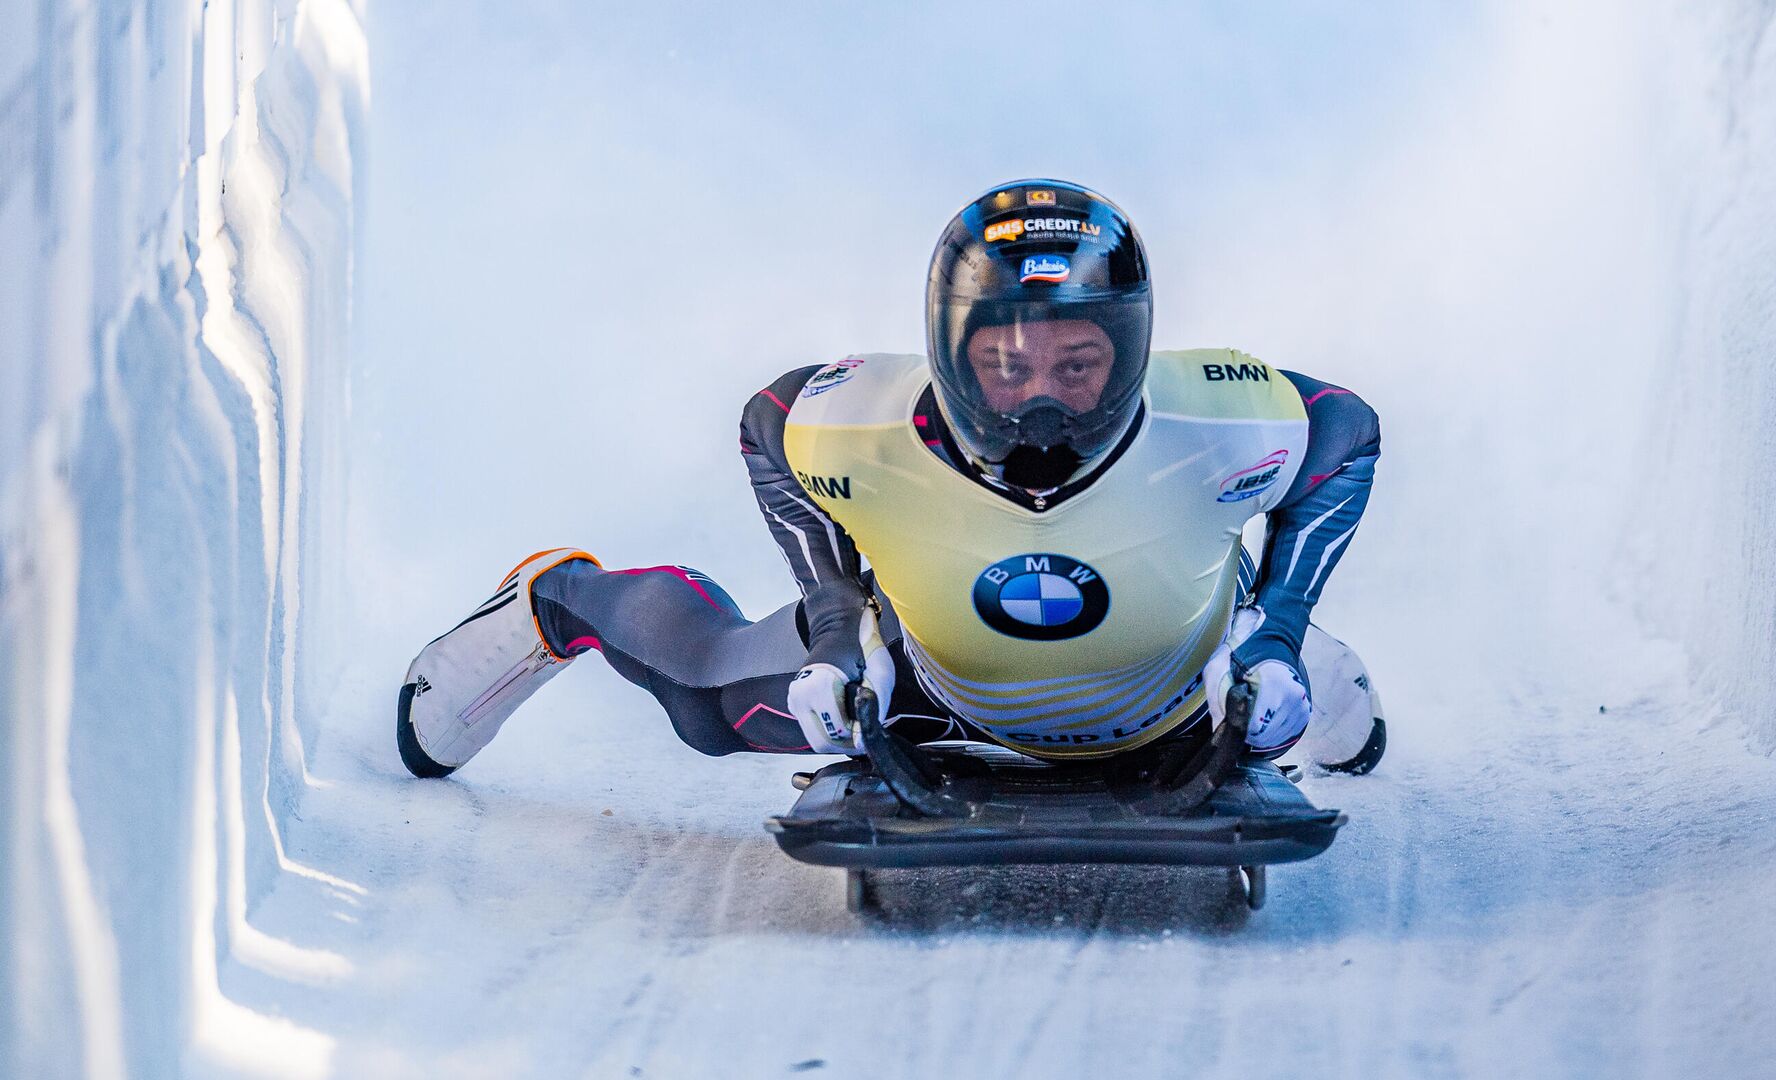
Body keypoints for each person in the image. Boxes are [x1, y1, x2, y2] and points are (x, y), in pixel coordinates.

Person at [396, 180, 1385, 781]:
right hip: (924, 677)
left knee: (1261, 668)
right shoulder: (859, 418)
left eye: (1076, 366)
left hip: (1177, 683)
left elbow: (1346, 427)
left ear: (1129, 354)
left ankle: (1273, 649)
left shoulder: (1214, 411)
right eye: (1009, 366)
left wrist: (1282, 628)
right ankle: (552, 599)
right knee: (710, 708)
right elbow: (769, 421)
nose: (1043, 402)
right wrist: (837, 626)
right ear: (951, 353)